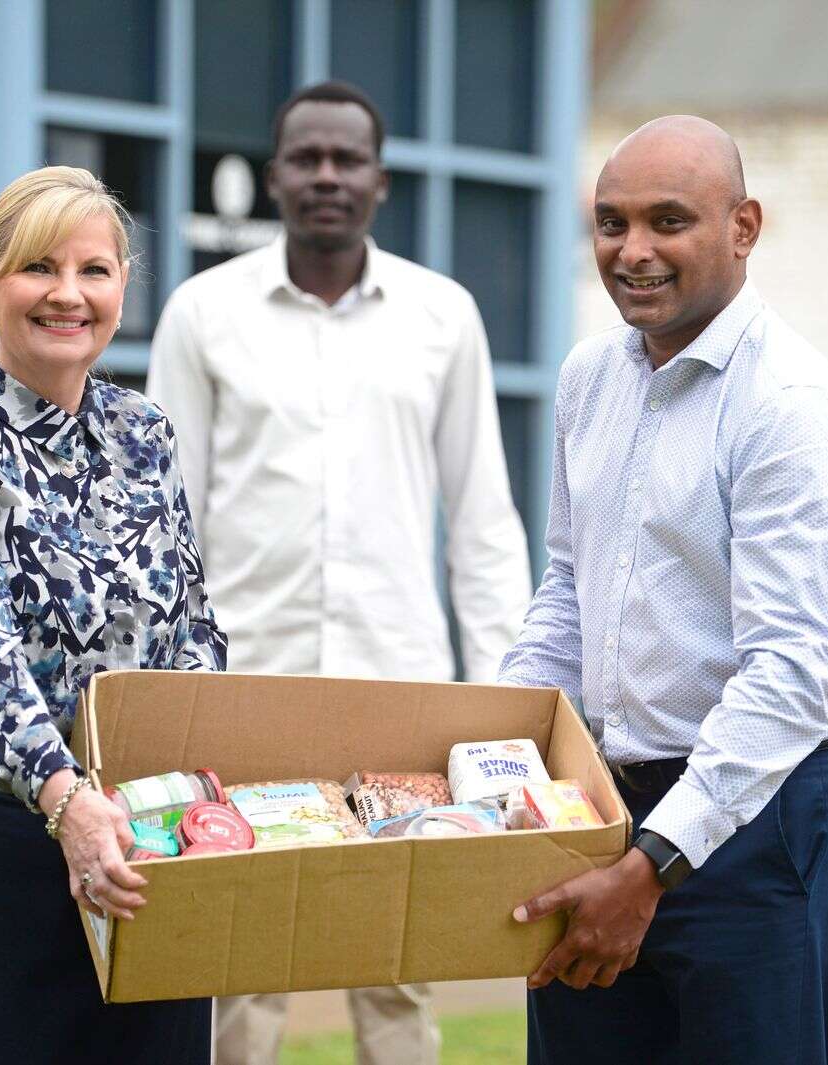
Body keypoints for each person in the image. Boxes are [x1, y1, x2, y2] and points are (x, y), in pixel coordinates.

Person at [147, 80, 532, 1065]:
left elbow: (483, 525)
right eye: (306, 158)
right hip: (241, 682)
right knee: (238, 953)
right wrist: (168, 693)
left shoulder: (443, 317)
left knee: (396, 954)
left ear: (380, 180)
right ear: (273, 176)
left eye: (345, 159)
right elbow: (164, 522)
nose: (326, 176)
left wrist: (508, 703)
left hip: (396, 684)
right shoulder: (203, 312)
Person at [497, 116, 828, 1065]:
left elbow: (789, 674)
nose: (633, 252)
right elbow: (567, 589)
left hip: (767, 820)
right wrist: (504, 754)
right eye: (610, 223)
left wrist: (653, 865)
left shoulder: (791, 408)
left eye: (668, 221)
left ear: (744, 227)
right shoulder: (592, 376)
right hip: (606, 813)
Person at [0, 165, 226, 1064]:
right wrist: (66, 800)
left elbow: (190, 623)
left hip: (143, 828)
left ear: (122, 286)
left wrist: (206, 784)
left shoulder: (144, 430)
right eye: (38, 268)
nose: (68, 295)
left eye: (95, 271)